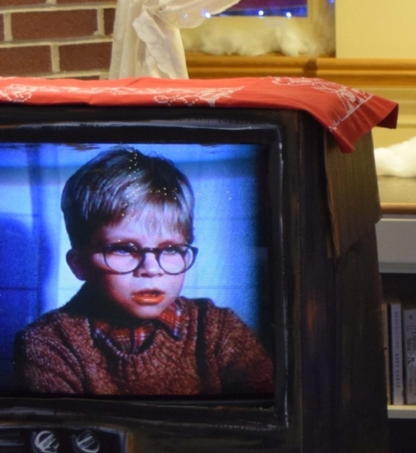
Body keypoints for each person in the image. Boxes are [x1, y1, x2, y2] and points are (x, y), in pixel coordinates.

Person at [14, 147, 273, 397]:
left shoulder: (218, 329)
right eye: (124, 249)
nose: (151, 269)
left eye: (170, 249)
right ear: (79, 264)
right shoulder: (48, 343)